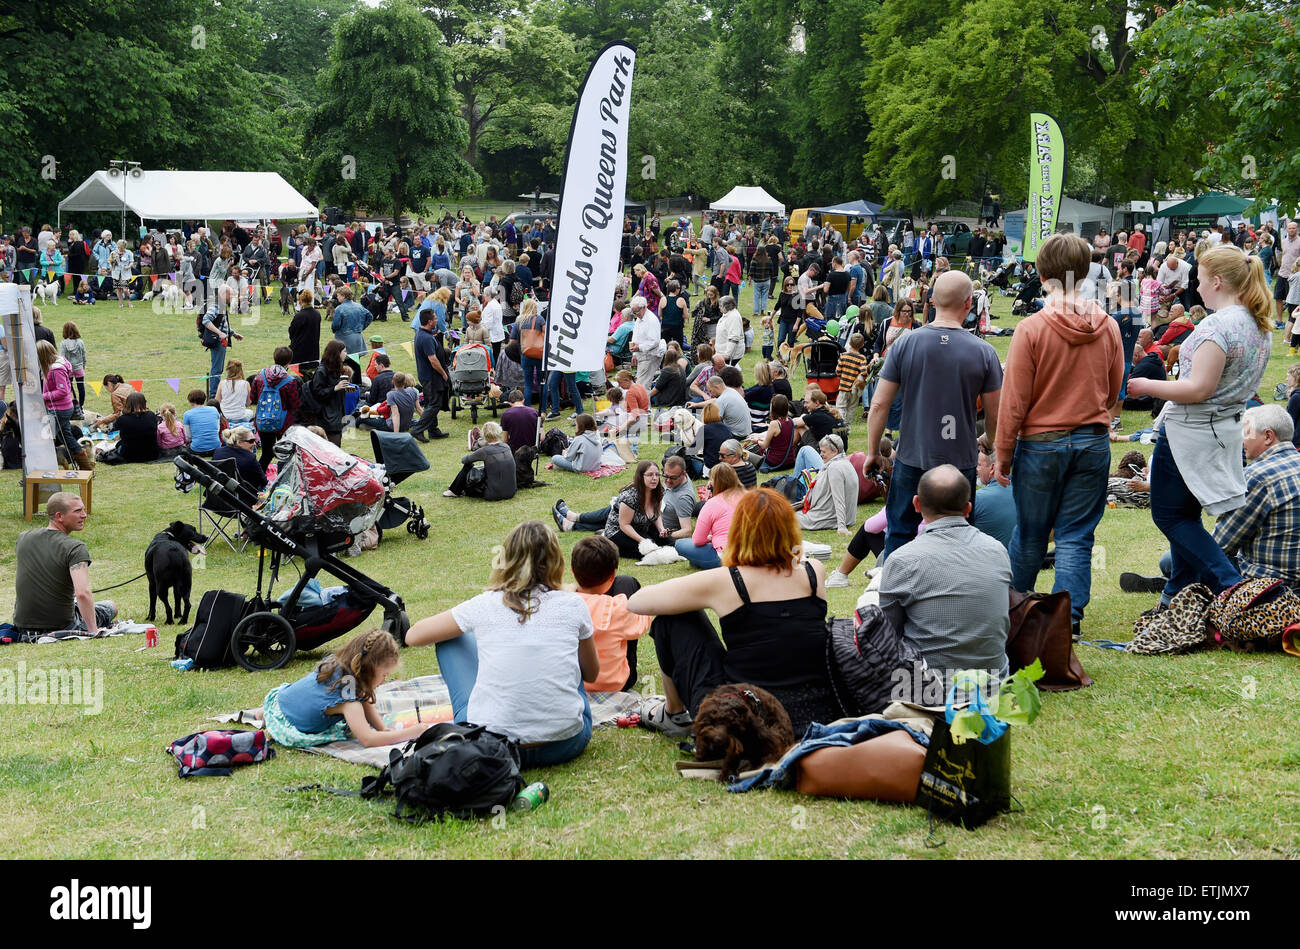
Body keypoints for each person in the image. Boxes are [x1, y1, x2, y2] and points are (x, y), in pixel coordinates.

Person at [1126, 243, 1273, 610]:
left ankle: (1231, 586)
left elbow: (1198, 388)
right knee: (1185, 515)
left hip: (1190, 431)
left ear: (1218, 282)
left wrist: (1145, 386)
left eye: (1200, 278)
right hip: (1223, 429)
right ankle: (1174, 598)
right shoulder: (1259, 324)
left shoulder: (1219, 325)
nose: (1196, 285)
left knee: (1170, 515)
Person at [994, 234, 1126, 637]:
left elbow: (1013, 401)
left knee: (1032, 532)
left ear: (1040, 273)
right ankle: (1067, 620)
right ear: (1084, 272)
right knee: (1075, 535)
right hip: (1092, 441)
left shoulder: (1031, 329)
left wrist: (1002, 453)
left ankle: (1014, 608)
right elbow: (1115, 385)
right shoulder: (1108, 326)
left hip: (1041, 444)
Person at [627, 488, 839, 735]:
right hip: (815, 708)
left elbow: (637, 602)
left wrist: (694, 597)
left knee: (671, 619)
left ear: (739, 531)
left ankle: (674, 714)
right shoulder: (814, 571)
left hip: (746, 716)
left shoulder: (727, 581)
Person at [405, 521, 599, 767]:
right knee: (569, 653)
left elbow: (413, 636)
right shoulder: (573, 605)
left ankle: (486, 712)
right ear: (557, 561)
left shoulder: (485, 604)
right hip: (564, 743)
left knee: (449, 639)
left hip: (491, 745)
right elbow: (591, 674)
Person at [864, 270, 1003, 561]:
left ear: (931, 300)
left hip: (912, 456)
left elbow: (878, 405)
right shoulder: (984, 352)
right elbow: (995, 414)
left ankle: (894, 599)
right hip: (960, 461)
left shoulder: (905, 344)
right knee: (959, 534)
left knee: (900, 532)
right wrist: (990, 441)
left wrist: (873, 451)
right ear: (968, 304)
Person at [878, 465, 1012, 684]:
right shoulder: (998, 551)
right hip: (993, 688)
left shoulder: (902, 560)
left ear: (916, 504)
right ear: (968, 508)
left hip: (926, 692)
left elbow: (886, 636)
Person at [263, 629, 431, 749]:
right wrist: (410, 733)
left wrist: (383, 729)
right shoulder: (350, 703)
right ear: (369, 670)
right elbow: (367, 739)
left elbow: (364, 699)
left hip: (279, 701)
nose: (384, 680)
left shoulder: (340, 664)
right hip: (289, 725)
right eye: (384, 675)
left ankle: (260, 713)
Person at [1207, 405, 1300, 589]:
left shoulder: (1258, 476)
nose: (1242, 441)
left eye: (1246, 434)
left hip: (1268, 585)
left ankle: (1177, 583)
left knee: (1172, 560)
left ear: (1268, 436)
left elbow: (1221, 544)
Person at [12, 492, 117, 637]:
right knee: (111, 606)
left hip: (22, 626)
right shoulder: (75, 548)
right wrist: (93, 631)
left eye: (83, 510)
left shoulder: (23, 538)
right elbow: (82, 593)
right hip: (63, 624)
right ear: (59, 516)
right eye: (77, 511)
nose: (84, 515)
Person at [570, 536, 651, 693]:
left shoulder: (561, 604)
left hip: (573, 684)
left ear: (573, 571)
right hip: (614, 685)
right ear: (612, 575)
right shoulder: (619, 609)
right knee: (628, 582)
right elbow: (644, 617)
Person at [675, 463, 746, 569]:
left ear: (716, 483)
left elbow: (698, 540)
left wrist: (710, 538)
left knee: (680, 543)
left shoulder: (713, 503)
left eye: (711, 479)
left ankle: (699, 561)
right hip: (753, 552)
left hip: (727, 556)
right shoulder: (750, 497)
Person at [37, 340, 88, 468]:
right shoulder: (58, 364)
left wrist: (42, 396)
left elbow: (63, 391)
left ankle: (42, 468)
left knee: (47, 439)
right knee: (67, 437)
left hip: (59, 409)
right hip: (63, 408)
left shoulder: (56, 370)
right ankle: (86, 466)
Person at [794, 434, 858, 534]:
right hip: (838, 516)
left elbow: (839, 499)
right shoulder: (844, 462)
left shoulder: (835, 468)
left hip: (826, 517)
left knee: (783, 517)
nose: (820, 454)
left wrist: (841, 526)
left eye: (824, 451)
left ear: (835, 451)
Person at [443, 421, 516, 500]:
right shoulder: (506, 446)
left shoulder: (484, 451)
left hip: (493, 494)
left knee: (468, 465)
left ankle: (454, 491)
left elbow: (464, 460)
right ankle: (456, 488)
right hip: (511, 492)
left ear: (484, 434)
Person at [408, 308, 450, 442]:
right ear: (430, 321)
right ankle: (418, 430)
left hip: (427, 375)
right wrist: (444, 374)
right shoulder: (426, 338)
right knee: (434, 404)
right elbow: (433, 360)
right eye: (436, 319)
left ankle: (433, 430)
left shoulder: (423, 334)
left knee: (431, 403)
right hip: (431, 376)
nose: (437, 320)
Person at [201, 286, 243, 398]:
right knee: (217, 369)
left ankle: (215, 394)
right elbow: (206, 320)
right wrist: (220, 334)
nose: (232, 298)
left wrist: (233, 334)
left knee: (218, 368)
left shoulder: (221, 305)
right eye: (230, 295)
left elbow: (223, 324)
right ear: (224, 294)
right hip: (217, 341)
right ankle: (214, 395)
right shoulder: (216, 306)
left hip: (221, 341)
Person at [308, 340, 351, 446]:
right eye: (344, 351)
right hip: (326, 419)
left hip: (337, 415)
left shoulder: (337, 368)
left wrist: (344, 388)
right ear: (337, 353)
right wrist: (335, 388)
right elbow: (317, 393)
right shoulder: (321, 371)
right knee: (330, 451)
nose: (346, 354)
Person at [104, 391, 159, 464]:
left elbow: (114, 427)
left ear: (127, 404)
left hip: (129, 455)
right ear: (144, 403)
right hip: (152, 454)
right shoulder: (151, 415)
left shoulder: (122, 419)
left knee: (118, 445)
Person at [748, 394, 799, 471]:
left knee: (742, 453)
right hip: (790, 462)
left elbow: (764, 445)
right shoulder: (791, 421)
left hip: (775, 462)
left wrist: (756, 440)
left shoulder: (775, 423)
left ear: (773, 408)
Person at [213, 425, 268, 491]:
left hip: (217, 494)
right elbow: (264, 481)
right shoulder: (250, 458)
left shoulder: (218, 451)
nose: (254, 444)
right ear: (239, 442)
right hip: (243, 497)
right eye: (251, 441)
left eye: (255, 440)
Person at [330, 285, 372, 360]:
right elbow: (370, 316)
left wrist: (334, 330)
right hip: (357, 337)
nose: (337, 297)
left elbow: (335, 325)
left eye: (338, 295)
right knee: (356, 363)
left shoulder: (339, 308)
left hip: (344, 338)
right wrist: (361, 327)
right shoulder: (359, 306)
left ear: (343, 296)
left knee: (344, 363)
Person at [59, 322, 87, 418]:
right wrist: (84, 365)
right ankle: (81, 406)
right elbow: (84, 355)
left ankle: (72, 406)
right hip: (79, 368)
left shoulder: (63, 344)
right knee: (81, 387)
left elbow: (62, 357)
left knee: (69, 388)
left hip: (68, 369)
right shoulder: (80, 342)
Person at [182, 389, 222, 455]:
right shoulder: (214, 410)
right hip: (215, 448)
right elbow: (217, 429)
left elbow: (188, 436)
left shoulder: (187, 414)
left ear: (190, 401)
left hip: (197, 449)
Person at [288, 289, 321, 366]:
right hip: (313, 349)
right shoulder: (317, 314)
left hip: (300, 350)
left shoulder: (300, 316)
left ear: (301, 300)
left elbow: (292, 332)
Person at [216, 360, 252, 425]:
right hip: (241, 417)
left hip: (225, 417)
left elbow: (217, 401)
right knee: (250, 412)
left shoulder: (222, 383)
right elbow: (249, 402)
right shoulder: (246, 384)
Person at [714, 295, 745, 366]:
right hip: (722, 351)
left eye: (721, 306)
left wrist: (727, 354)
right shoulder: (727, 314)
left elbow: (734, 337)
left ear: (727, 306)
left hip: (730, 355)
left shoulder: (734, 317)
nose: (719, 307)